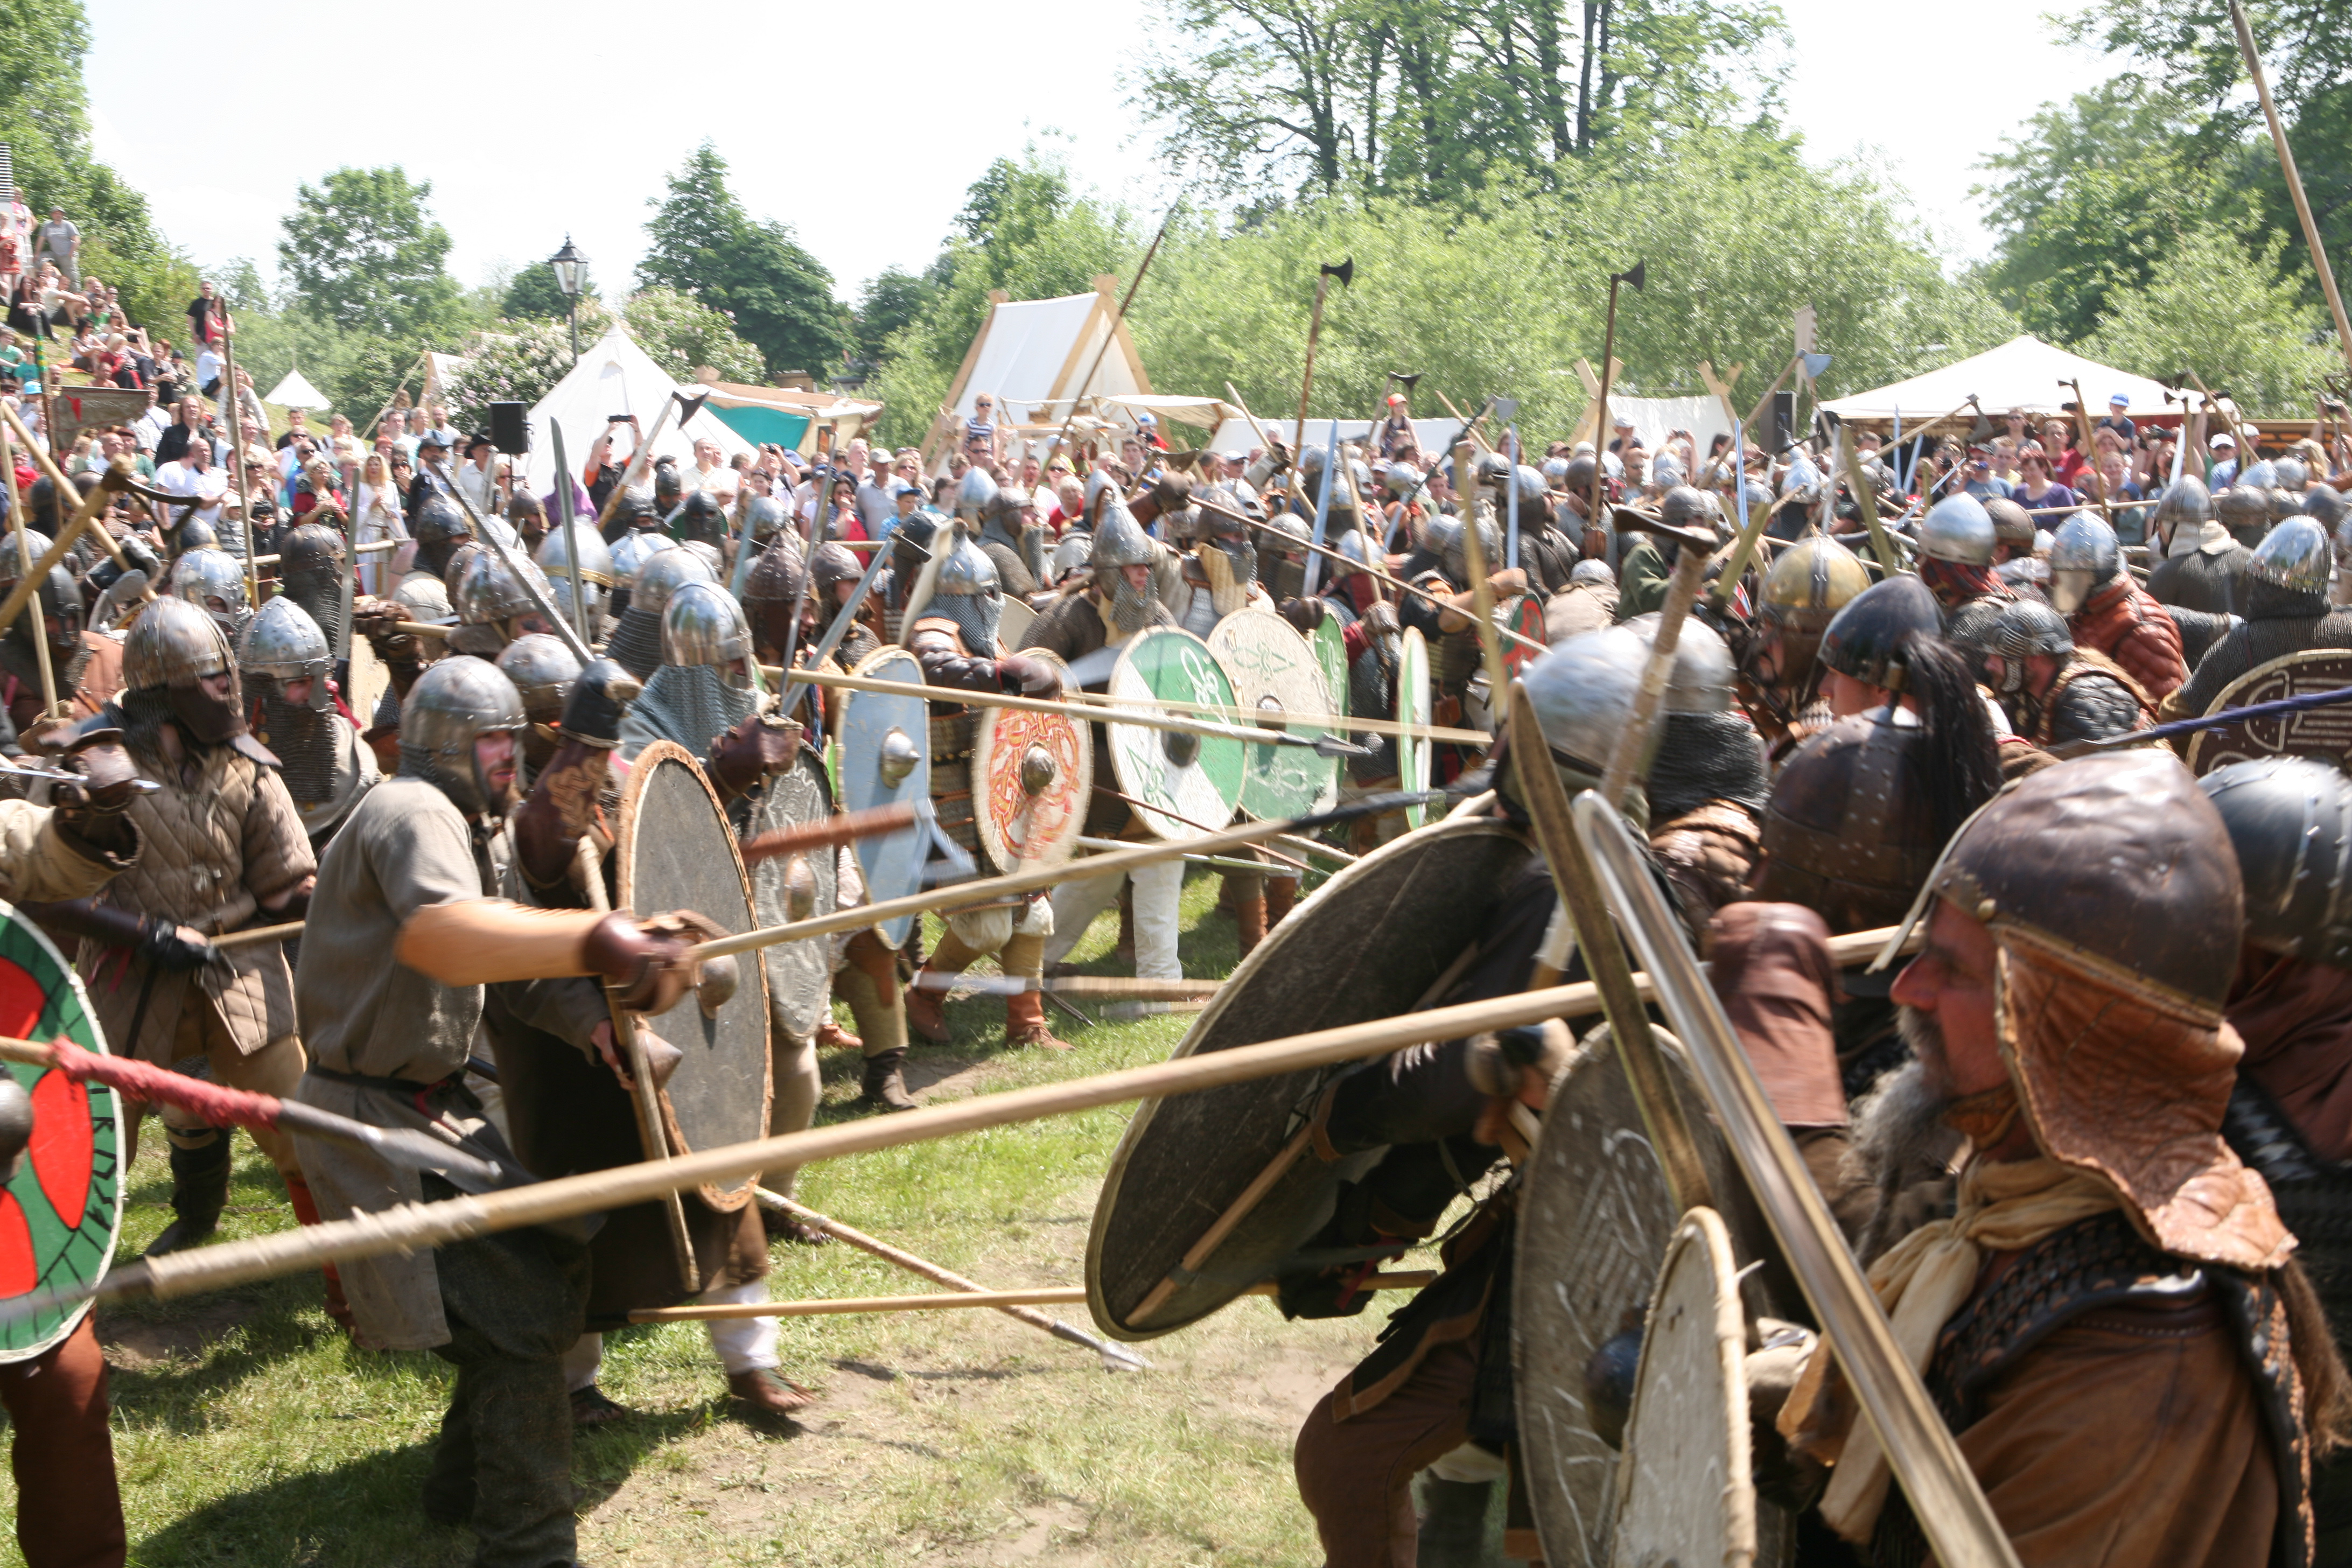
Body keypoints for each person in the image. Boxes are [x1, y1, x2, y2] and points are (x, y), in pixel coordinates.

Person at [1776, 750, 2342, 1567]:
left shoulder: (2135, 1346)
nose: (1908, 990)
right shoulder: (2028, 1198)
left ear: (2058, 1024)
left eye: (1955, 970)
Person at [293, 655, 716, 1567]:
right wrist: (598, 937)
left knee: (545, 1263)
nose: (504, 756)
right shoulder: (411, 811)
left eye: (509, 738)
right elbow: (447, 935)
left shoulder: (472, 827)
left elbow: (517, 966)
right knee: (515, 1313)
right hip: (367, 1121)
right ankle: (529, 1549)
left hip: (429, 1107)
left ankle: (463, 1486)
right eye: (490, 740)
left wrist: (596, 1027)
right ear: (445, 742)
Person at [901, 527, 1070, 1049]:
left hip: (1003, 794)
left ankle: (1027, 1023)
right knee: (985, 926)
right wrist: (1002, 673)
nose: (994, 603)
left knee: (1033, 909)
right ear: (963, 595)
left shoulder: (988, 639)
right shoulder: (934, 630)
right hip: (951, 801)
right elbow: (935, 669)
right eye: (986, 594)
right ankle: (924, 994)